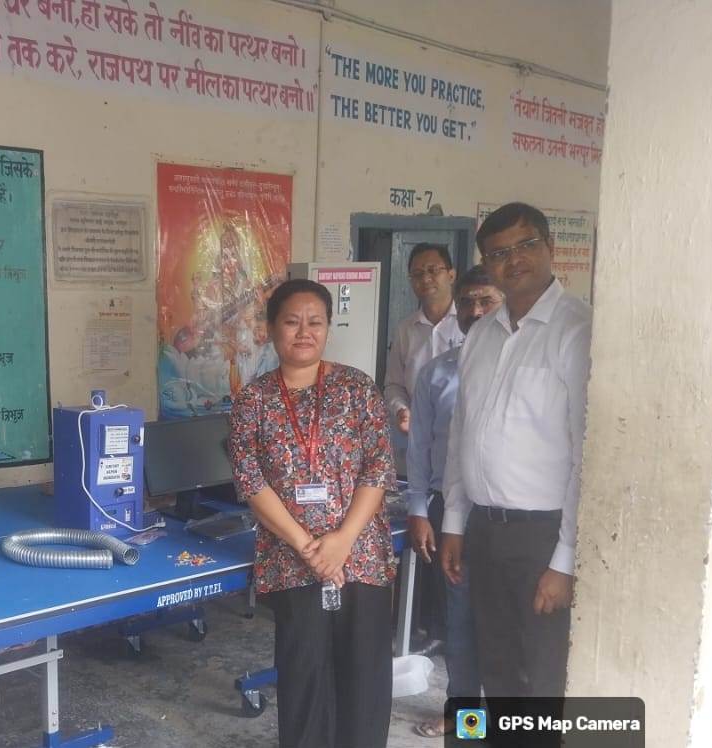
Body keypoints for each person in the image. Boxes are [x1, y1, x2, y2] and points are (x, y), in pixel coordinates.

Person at [229, 278, 396, 748]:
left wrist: (341, 542)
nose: (304, 332)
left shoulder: (357, 388)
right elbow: (251, 481)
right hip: (292, 562)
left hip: (360, 556)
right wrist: (309, 548)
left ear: (327, 328)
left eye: (315, 322)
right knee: (304, 682)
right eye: (291, 321)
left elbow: (379, 466)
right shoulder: (252, 401)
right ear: (271, 329)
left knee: (364, 681)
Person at [440, 203, 592, 700]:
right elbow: (462, 433)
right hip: (485, 530)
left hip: (541, 537)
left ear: (550, 247)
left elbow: (586, 455)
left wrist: (564, 561)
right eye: (499, 253)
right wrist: (455, 522)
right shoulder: (482, 334)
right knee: (496, 665)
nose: (514, 260)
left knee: (542, 676)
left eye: (526, 245)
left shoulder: (577, 330)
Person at [405, 265, 503, 738]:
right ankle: (465, 716)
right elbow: (419, 447)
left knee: (507, 622)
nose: (476, 311)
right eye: (467, 302)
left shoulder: (523, 369)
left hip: (511, 516)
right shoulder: (437, 373)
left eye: (487, 300)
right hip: (451, 514)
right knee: (459, 621)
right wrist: (419, 510)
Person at [383, 243, 462, 435]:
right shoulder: (405, 330)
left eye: (433, 270)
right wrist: (401, 409)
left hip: (460, 431)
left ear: (451, 275)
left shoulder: (469, 323)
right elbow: (394, 385)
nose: (425, 279)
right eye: (417, 274)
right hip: (417, 432)